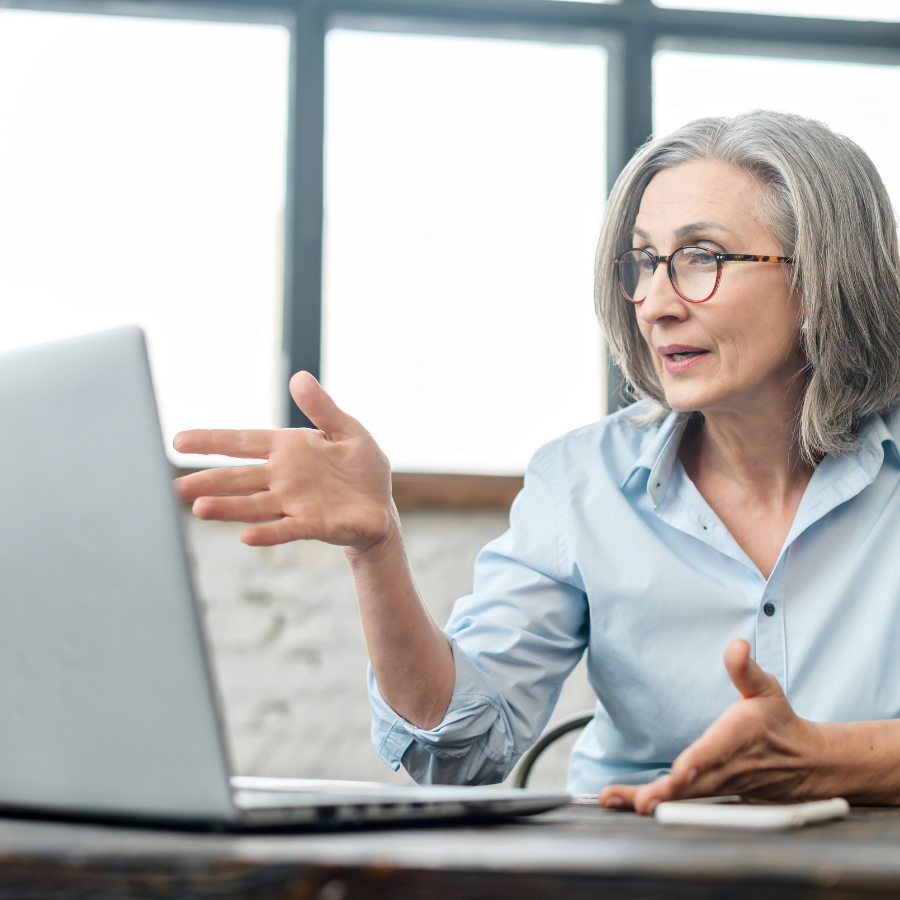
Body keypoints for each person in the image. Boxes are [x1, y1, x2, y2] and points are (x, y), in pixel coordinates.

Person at [174, 110, 900, 813]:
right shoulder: (581, 481)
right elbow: (455, 755)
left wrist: (825, 760)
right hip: (636, 872)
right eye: (643, 263)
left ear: (824, 287)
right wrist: (377, 548)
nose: (653, 302)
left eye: (700, 258)